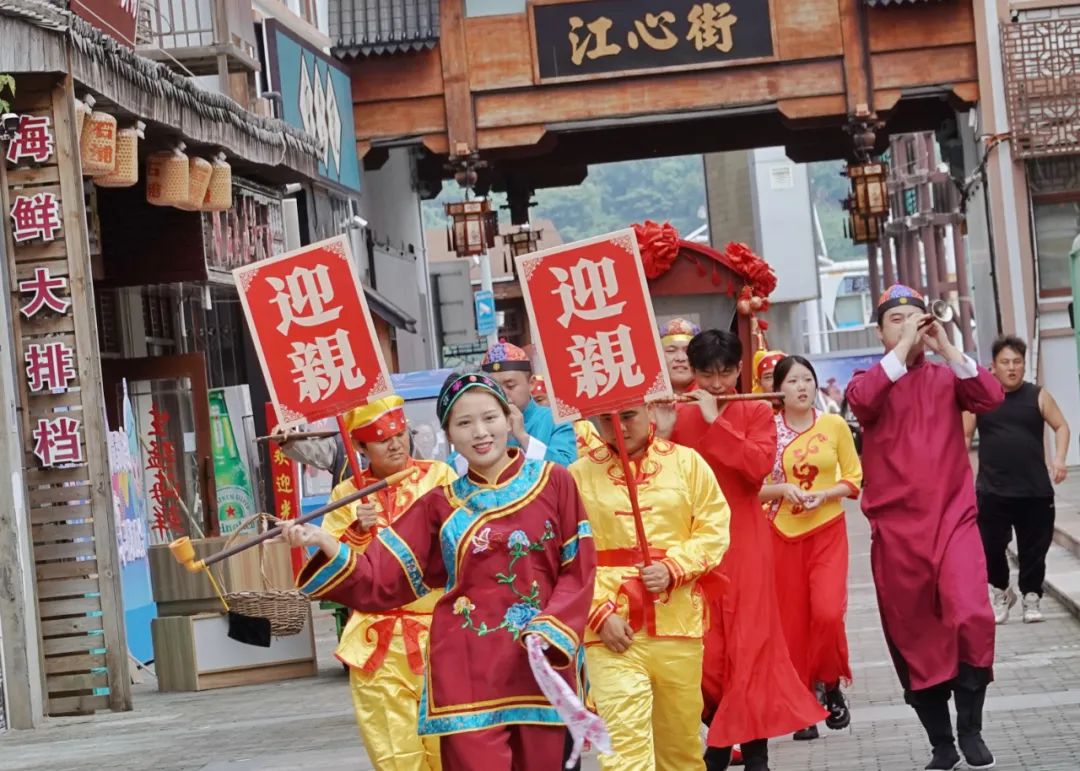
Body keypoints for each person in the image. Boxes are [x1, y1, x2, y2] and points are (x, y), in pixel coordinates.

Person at [278, 373, 596, 771]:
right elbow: (382, 576)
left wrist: (553, 627)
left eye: (490, 418)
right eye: (464, 423)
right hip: (465, 670)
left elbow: (578, 569)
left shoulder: (554, 482)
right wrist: (326, 542)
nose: (480, 432)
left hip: (538, 663)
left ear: (509, 418)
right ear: (448, 434)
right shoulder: (439, 505)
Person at [845, 284, 1003, 771]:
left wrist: (947, 346)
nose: (909, 326)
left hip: (953, 519)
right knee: (914, 633)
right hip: (897, 531)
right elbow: (863, 402)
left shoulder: (946, 377)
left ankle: (970, 727)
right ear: (879, 332)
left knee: (972, 614)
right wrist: (903, 348)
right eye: (896, 320)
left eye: (916, 317)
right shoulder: (866, 380)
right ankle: (941, 742)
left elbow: (990, 396)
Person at [663, 329, 825, 771]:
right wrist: (664, 430)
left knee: (750, 645)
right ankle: (719, 739)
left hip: (745, 538)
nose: (716, 384)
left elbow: (755, 469)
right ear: (693, 372)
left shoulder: (754, 409)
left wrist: (716, 422)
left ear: (739, 369)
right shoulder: (677, 412)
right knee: (709, 653)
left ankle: (755, 756)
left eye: (725, 373)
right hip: (694, 540)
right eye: (707, 374)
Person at [571, 404, 730, 771]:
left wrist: (674, 568)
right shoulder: (577, 475)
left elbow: (714, 527)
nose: (619, 427)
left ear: (649, 410)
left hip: (677, 620)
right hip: (611, 628)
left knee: (681, 750)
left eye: (628, 416)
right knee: (624, 752)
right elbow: (566, 554)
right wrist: (597, 613)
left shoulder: (687, 463)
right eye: (606, 419)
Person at [321, 396, 457, 771]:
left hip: (437, 635)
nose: (396, 444)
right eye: (383, 440)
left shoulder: (439, 477)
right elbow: (333, 572)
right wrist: (356, 532)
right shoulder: (346, 496)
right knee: (397, 758)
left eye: (400, 434)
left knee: (451, 751)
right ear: (360, 446)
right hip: (375, 642)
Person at [760, 356, 863, 742]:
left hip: (827, 530)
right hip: (781, 533)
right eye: (792, 381)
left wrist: (825, 494)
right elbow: (752, 488)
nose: (802, 387)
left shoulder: (834, 424)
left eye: (807, 379)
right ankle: (803, 703)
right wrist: (782, 490)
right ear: (778, 390)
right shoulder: (767, 431)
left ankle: (829, 682)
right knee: (792, 624)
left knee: (827, 613)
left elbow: (854, 478)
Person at [964, 334, 1071, 625]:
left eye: (1017, 362)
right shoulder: (981, 399)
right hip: (992, 490)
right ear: (993, 365)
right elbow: (963, 436)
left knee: (1033, 549)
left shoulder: (1038, 395)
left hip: (1034, 490)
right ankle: (1001, 592)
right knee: (989, 547)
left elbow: (1061, 426)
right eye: (1005, 362)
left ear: (1024, 365)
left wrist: (1060, 459)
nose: (1011, 368)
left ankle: (1031, 597)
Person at [479, 341, 577, 468]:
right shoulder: (480, 427)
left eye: (510, 385)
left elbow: (569, 468)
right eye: (494, 387)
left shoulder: (554, 419)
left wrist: (523, 437)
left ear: (531, 383)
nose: (502, 394)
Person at [531, 374, 604, 458]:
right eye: (531, 403)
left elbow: (600, 457)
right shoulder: (529, 436)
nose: (534, 406)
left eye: (539, 400)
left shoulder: (584, 427)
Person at [660, 318, 700, 394]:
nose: (680, 358)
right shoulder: (643, 397)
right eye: (671, 351)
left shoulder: (714, 394)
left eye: (688, 351)